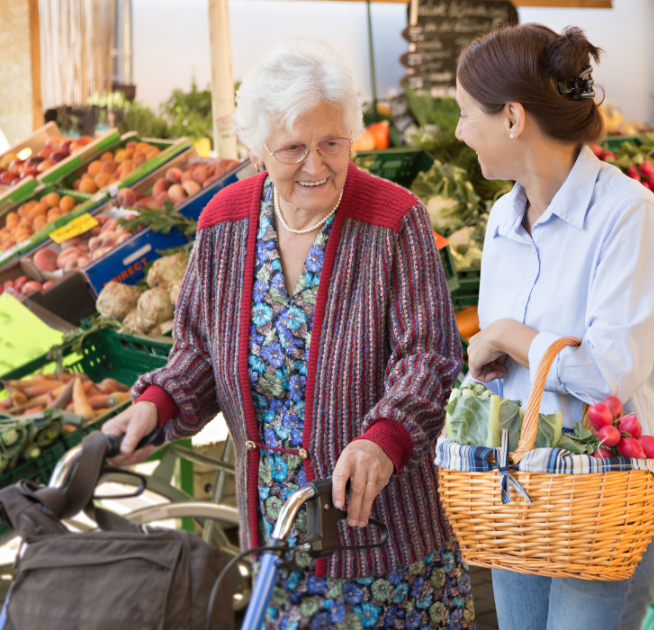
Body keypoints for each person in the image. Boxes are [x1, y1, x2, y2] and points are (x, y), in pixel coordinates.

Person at [102, 38, 473, 630]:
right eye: (293, 148)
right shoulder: (223, 222)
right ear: (256, 153)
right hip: (277, 537)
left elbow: (428, 356)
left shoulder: (393, 219)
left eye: (332, 143)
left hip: (384, 537)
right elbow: (198, 349)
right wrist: (158, 403)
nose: (316, 164)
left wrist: (385, 437)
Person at [456, 24, 654, 630]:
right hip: (522, 493)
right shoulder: (503, 218)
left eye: (464, 113)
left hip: (604, 503)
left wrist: (504, 333)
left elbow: (608, 372)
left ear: (511, 119)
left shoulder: (627, 216)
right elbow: (510, 376)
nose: (458, 131)